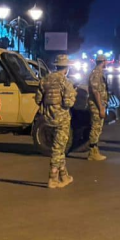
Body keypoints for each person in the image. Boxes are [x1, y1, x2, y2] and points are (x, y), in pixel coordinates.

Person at [34, 54, 77, 188]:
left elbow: (37, 100)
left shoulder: (45, 80)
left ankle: (64, 175)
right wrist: (74, 94)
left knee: (59, 148)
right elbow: (69, 103)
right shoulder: (66, 82)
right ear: (67, 68)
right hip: (62, 120)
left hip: (47, 119)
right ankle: (53, 177)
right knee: (58, 149)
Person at [87, 54, 109, 161]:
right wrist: (100, 108)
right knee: (96, 128)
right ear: (103, 61)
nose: (107, 63)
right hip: (96, 105)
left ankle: (95, 151)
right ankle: (92, 153)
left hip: (99, 104)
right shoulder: (96, 74)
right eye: (106, 61)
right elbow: (96, 92)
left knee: (98, 127)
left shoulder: (99, 73)